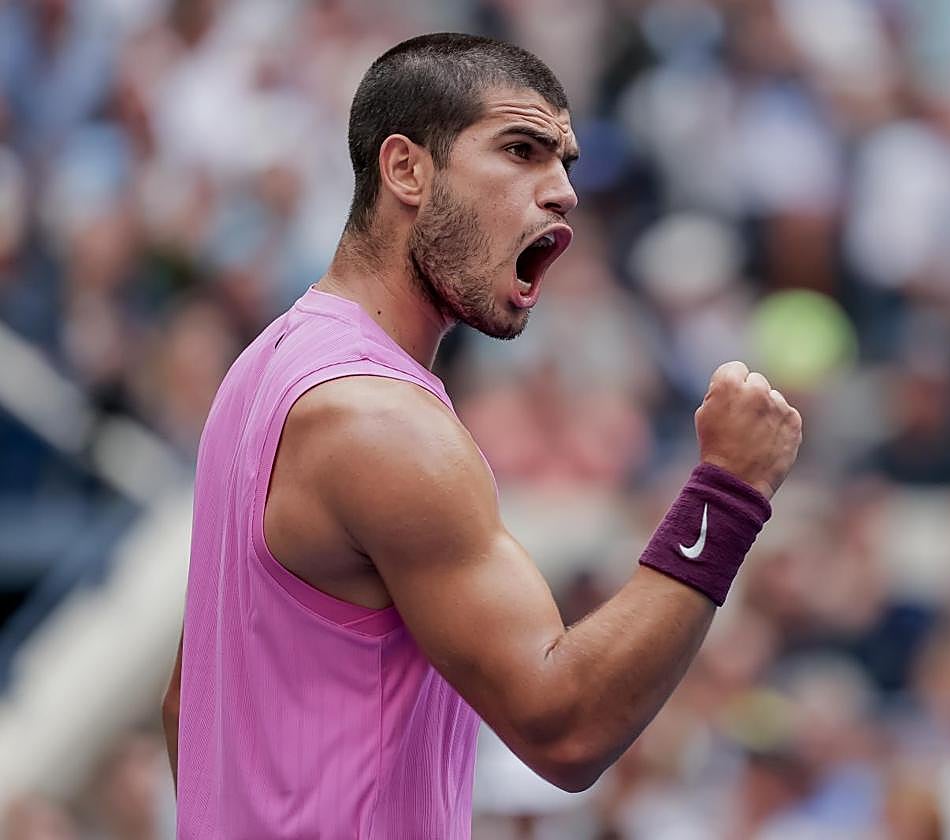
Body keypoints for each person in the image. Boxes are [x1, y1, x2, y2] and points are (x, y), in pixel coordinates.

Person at [162, 32, 803, 839]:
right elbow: (566, 727)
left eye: (564, 162)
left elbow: (188, 702)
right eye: (520, 150)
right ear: (406, 170)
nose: (562, 192)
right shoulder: (381, 421)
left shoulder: (263, 369)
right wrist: (729, 490)